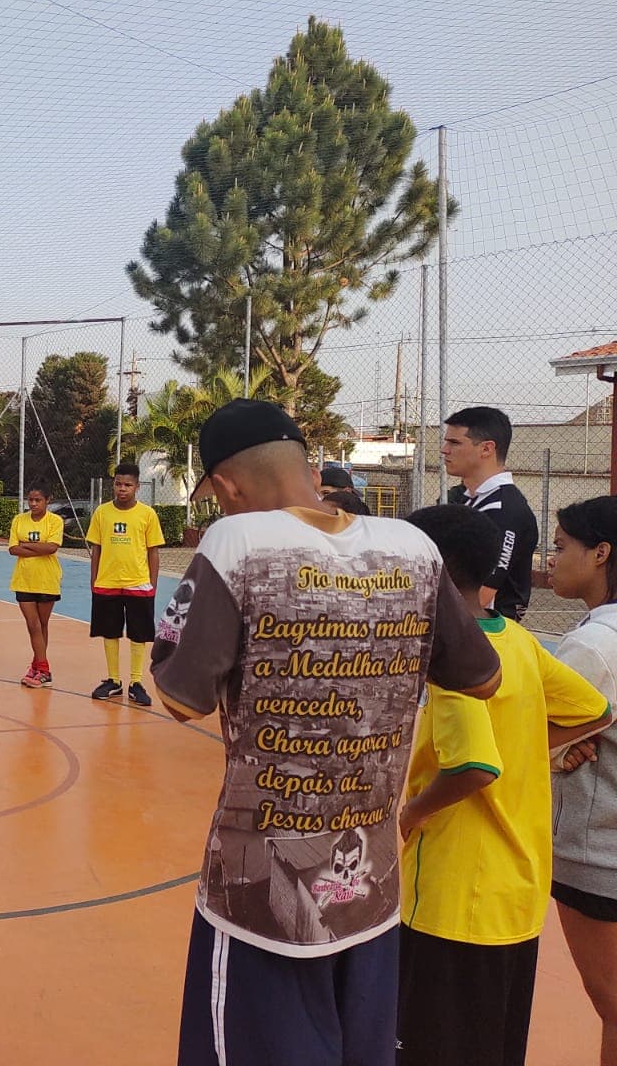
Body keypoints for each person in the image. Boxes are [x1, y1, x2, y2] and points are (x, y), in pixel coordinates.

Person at [148, 399, 502, 1066]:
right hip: (371, 888)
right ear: (307, 464)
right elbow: (482, 679)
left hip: (259, 896)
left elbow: (177, 697)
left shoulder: (237, 543)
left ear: (225, 487)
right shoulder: (413, 547)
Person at [398, 504, 611, 1066]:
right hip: (516, 890)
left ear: (429, 572)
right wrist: (525, 747)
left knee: (432, 1044)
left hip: (453, 893)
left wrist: (412, 812)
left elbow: (474, 767)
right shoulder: (515, 640)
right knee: (493, 1041)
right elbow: (595, 710)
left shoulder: (454, 658)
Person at [546, 497, 617, 1066]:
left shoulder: (592, 647)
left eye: (562, 545)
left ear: (601, 554)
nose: (551, 557)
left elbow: (532, 743)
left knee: (614, 1006)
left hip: (599, 858)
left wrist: (549, 755)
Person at [441, 406, 538, 621]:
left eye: (454, 443)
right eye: (446, 441)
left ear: (486, 449)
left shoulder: (505, 510)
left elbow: (482, 595)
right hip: (468, 630)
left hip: (490, 637)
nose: (444, 449)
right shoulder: (469, 499)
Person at [87, 463, 165, 706]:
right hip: (107, 582)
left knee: (138, 633)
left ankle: (136, 682)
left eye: (128, 485)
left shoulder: (147, 514)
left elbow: (153, 552)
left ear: (137, 487)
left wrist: (152, 583)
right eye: (118, 484)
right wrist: (94, 580)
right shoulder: (102, 513)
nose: (122, 489)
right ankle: (113, 680)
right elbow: (96, 548)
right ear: (113, 485)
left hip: (138, 583)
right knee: (109, 631)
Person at [10, 486, 65, 689]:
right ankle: (44, 669)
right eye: (30, 500)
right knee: (32, 624)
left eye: (37, 500)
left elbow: (52, 547)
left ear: (47, 500)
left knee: (42, 625)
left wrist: (26, 546)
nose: (33, 504)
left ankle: (38, 667)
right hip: (24, 579)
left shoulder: (54, 521)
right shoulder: (19, 520)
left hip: (47, 580)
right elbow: (13, 549)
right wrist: (38, 549)